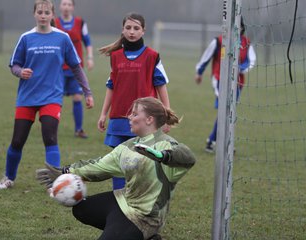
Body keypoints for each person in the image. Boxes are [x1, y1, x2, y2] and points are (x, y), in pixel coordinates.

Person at [37, 97, 196, 240]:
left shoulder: (166, 144)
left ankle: (135, 233)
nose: (129, 117)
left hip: (144, 218)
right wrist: (65, 171)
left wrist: (163, 156)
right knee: (81, 209)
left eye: (134, 114)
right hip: (123, 201)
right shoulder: (128, 146)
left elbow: (188, 157)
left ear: (149, 119)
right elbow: (99, 166)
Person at [0, 0, 94, 189]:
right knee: (17, 140)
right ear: (34, 14)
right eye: (39, 12)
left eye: (46, 12)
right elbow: (14, 64)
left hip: (52, 97)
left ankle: (53, 184)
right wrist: (20, 72)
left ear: (52, 15)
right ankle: (8, 177)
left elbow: (76, 67)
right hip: (27, 97)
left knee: (50, 137)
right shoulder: (26, 38)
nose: (42, 15)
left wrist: (87, 92)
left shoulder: (62, 38)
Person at [97, 12, 171, 190]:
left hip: (143, 119)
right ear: (123, 30)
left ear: (143, 31)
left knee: (141, 163)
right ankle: (119, 200)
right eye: (128, 28)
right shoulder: (116, 57)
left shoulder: (152, 56)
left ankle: (140, 199)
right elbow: (111, 87)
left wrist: (166, 113)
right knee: (118, 161)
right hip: (119, 118)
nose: (132, 32)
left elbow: (161, 86)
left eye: (136, 28)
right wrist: (103, 113)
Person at [195, 18, 256, 153]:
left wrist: (239, 68)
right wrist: (199, 72)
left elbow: (250, 61)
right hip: (219, 80)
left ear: (241, 27)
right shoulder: (218, 41)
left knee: (228, 111)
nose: (234, 29)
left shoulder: (246, 43)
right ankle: (225, 143)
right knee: (225, 110)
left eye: (237, 26)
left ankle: (213, 141)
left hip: (238, 83)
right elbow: (206, 57)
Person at [55, 0, 94, 138]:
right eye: (64, 4)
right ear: (60, 6)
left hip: (75, 69)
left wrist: (90, 58)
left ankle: (79, 129)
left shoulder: (80, 22)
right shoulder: (54, 22)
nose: (66, 7)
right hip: (57, 69)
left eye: (69, 4)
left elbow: (87, 42)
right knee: (55, 99)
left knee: (77, 97)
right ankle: (51, 128)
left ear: (73, 7)